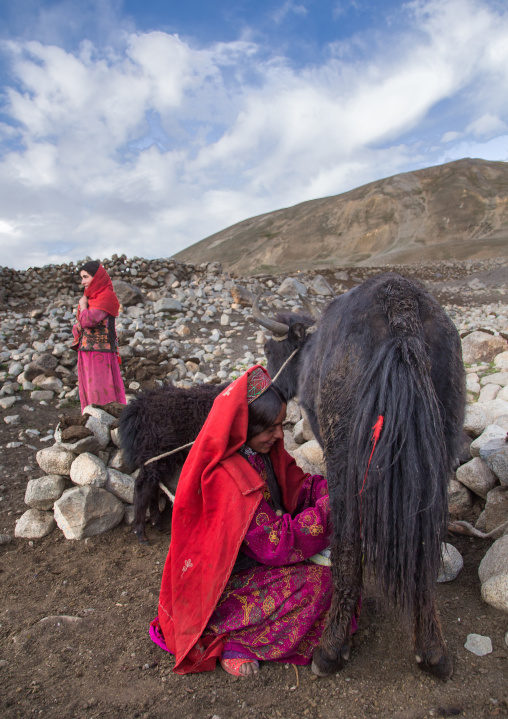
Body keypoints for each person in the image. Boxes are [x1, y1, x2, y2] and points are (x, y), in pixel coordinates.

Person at [150, 365, 358, 677]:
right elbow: (277, 543)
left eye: (282, 425)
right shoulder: (227, 477)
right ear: (244, 426)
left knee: (342, 570)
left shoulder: (263, 453)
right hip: (222, 588)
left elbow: (299, 487)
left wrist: (338, 490)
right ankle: (236, 641)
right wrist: (333, 509)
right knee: (323, 582)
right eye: (271, 428)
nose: (280, 435)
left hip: (258, 563)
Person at [72, 261, 126, 412]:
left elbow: (87, 320)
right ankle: (92, 420)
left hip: (100, 354)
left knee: (100, 389)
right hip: (87, 352)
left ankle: (105, 421)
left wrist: (83, 307)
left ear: (96, 277)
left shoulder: (105, 297)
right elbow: (80, 325)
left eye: (85, 277)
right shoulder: (91, 297)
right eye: (81, 278)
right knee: (90, 389)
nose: (82, 282)